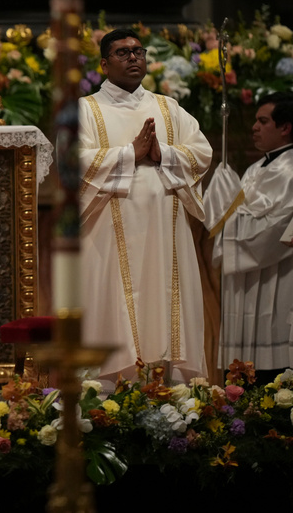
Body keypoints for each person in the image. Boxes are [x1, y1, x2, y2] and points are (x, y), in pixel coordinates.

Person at [79, 28, 213, 382]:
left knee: (165, 300)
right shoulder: (87, 109)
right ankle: (111, 389)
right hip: (109, 229)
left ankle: (172, 385)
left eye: (139, 51)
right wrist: (129, 154)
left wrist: (162, 153)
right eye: (123, 53)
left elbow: (202, 152)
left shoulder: (168, 108)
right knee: (117, 301)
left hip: (165, 229)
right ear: (104, 64)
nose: (134, 57)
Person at [204, 93, 293, 379]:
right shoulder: (256, 168)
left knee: (274, 373)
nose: (254, 127)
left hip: (277, 277)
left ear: (285, 127)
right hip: (246, 283)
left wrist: (227, 216)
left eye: (262, 121)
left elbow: (275, 229)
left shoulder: (290, 170)